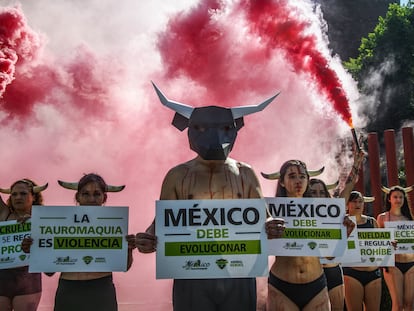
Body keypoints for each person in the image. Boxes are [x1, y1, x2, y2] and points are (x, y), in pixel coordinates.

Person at [136, 83, 282, 311]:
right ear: (189, 128)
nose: (214, 137)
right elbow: (164, 220)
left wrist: (272, 226)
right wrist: (149, 237)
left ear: (234, 129)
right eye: (202, 128)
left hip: (238, 271)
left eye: (224, 128)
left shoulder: (245, 173)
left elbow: (263, 215)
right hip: (192, 273)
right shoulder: (177, 176)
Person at [21, 173, 136, 311]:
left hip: (101, 290)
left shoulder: (114, 225)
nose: (91, 199)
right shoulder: (60, 224)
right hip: (69, 290)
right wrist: (35, 251)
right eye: (86, 194)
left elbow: (125, 266)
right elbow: (49, 271)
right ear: (78, 197)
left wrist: (128, 249)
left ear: (104, 197)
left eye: (97, 194)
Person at [262, 160, 333, 310]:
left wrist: (343, 231)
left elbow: (330, 255)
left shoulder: (322, 210)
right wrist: (265, 230)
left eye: (302, 176)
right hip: (281, 286)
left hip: (316, 284)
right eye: (292, 176)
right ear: (281, 181)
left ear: (308, 179)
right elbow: (258, 248)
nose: (298, 181)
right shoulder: (269, 210)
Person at [309, 148, 365, 311]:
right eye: (313, 193)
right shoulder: (299, 214)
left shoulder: (334, 209)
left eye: (321, 192)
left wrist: (357, 163)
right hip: (311, 273)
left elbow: (349, 185)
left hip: (333, 270)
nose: (318, 196)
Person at [0, 179, 48, 311]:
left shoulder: (44, 220)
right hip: (2, 279)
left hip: (28, 282)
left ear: (34, 197)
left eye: (23, 193)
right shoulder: (4, 215)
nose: (18, 197)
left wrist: (34, 223)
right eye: (14, 194)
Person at [377, 185, 414, 311]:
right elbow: (377, 241)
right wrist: (388, 243)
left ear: (404, 200)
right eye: (395, 197)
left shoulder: (409, 219)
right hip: (393, 264)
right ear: (389, 199)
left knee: (409, 305)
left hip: (411, 264)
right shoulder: (382, 218)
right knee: (397, 305)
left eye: (401, 197)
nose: (398, 200)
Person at [343, 190, 381, 311]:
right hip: (352, 273)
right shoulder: (343, 222)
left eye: (361, 201)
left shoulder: (372, 221)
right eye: (354, 201)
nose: (358, 204)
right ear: (347, 204)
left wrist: (390, 244)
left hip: (373, 272)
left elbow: (380, 244)